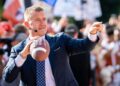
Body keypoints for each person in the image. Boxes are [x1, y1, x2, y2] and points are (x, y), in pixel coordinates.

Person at [2, 5, 103, 86]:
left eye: (44, 19)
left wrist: (92, 34)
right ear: (27, 24)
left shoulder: (60, 40)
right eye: (37, 20)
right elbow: (8, 77)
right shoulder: (18, 49)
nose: (43, 23)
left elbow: (85, 46)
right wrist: (23, 55)